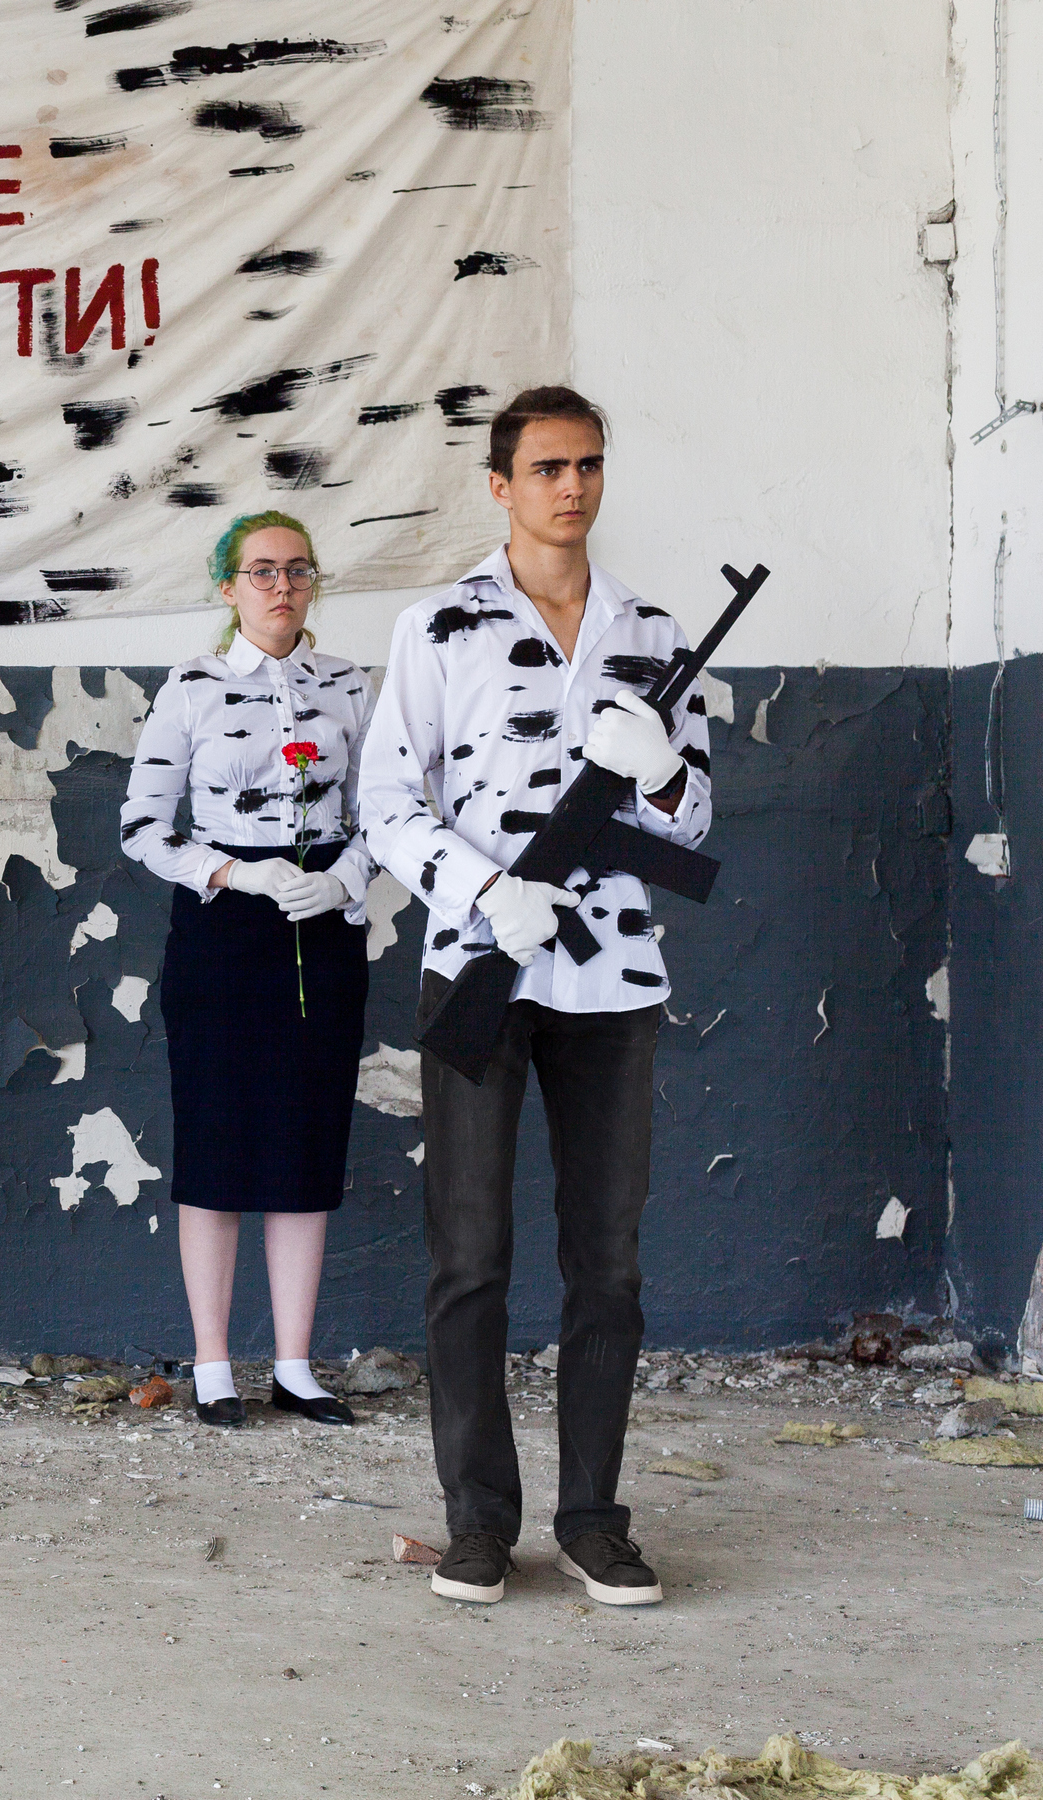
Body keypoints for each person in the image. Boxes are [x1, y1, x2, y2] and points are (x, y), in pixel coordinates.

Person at [359, 386, 712, 1610]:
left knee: (606, 1261)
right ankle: (479, 1523)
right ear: (501, 485)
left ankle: (595, 1523)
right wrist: (483, 888)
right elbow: (386, 802)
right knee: (470, 1258)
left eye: (589, 464)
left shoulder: (654, 634)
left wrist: (659, 778)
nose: (573, 485)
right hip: (478, 966)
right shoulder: (440, 626)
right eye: (549, 467)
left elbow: (693, 826)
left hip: (613, 978)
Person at [122, 512, 376, 1430]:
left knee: (307, 1138)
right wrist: (232, 872)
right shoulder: (191, 687)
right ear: (228, 587)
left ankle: (297, 1366)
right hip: (223, 930)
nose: (282, 587)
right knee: (219, 1140)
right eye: (262, 571)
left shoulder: (350, 686)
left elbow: (384, 811)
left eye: (298, 570)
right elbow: (142, 828)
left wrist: (346, 879)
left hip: (321, 923)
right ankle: (214, 1364)